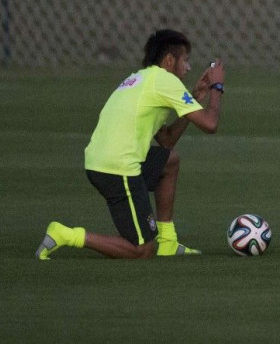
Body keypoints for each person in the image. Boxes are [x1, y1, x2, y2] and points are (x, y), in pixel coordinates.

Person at [36, 29, 226, 260]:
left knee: (169, 161)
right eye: (185, 60)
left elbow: (166, 141)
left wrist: (196, 97)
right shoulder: (165, 81)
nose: (188, 68)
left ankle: (167, 242)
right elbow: (210, 124)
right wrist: (217, 87)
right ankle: (67, 235)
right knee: (142, 250)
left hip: (106, 161)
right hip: (117, 168)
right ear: (169, 60)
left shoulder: (142, 79)